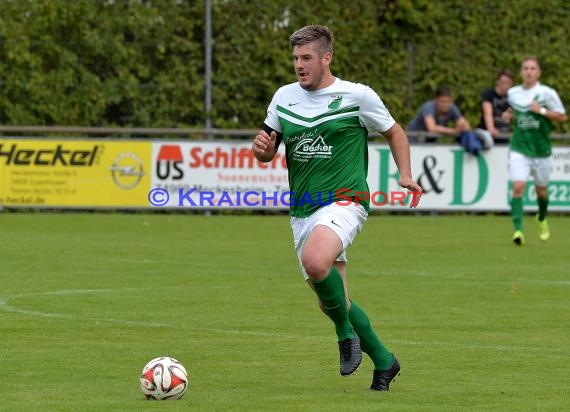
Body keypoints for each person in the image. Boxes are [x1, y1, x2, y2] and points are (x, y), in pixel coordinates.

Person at [252, 25, 422, 391]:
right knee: (332, 300)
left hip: (346, 200)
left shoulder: (356, 96)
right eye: (296, 58)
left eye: (307, 58)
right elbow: (268, 148)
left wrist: (405, 175)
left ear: (326, 58)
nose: (299, 65)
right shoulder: (284, 97)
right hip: (303, 209)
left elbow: (394, 131)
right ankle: (385, 361)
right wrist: (262, 149)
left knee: (316, 262)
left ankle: (345, 336)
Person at [507, 56, 567, 245]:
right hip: (520, 147)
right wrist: (508, 115)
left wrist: (540, 111)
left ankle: (541, 218)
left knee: (541, 191)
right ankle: (518, 231)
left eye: (533, 68)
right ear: (521, 72)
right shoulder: (513, 93)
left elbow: (562, 117)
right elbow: (514, 113)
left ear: (538, 73)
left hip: (541, 150)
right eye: (525, 68)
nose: (529, 72)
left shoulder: (547, 93)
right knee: (518, 188)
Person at [407, 86, 482, 155]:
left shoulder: (452, 107)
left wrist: (463, 126)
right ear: (436, 99)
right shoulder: (428, 107)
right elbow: (432, 128)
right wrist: (455, 131)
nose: (446, 105)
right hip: (412, 140)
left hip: (428, 141)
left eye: (448, 101)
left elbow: (465, 125)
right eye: (443, 101)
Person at [475, 69, 515, 146]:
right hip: (488, 136)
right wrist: (491, 128)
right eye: (503, 82)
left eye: (508, 83)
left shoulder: (513, 97)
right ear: (497, 82)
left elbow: (516, 114)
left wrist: (512, 115)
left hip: (506, 134)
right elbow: (487, 113)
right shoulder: (488, 94)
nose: (505, 86)